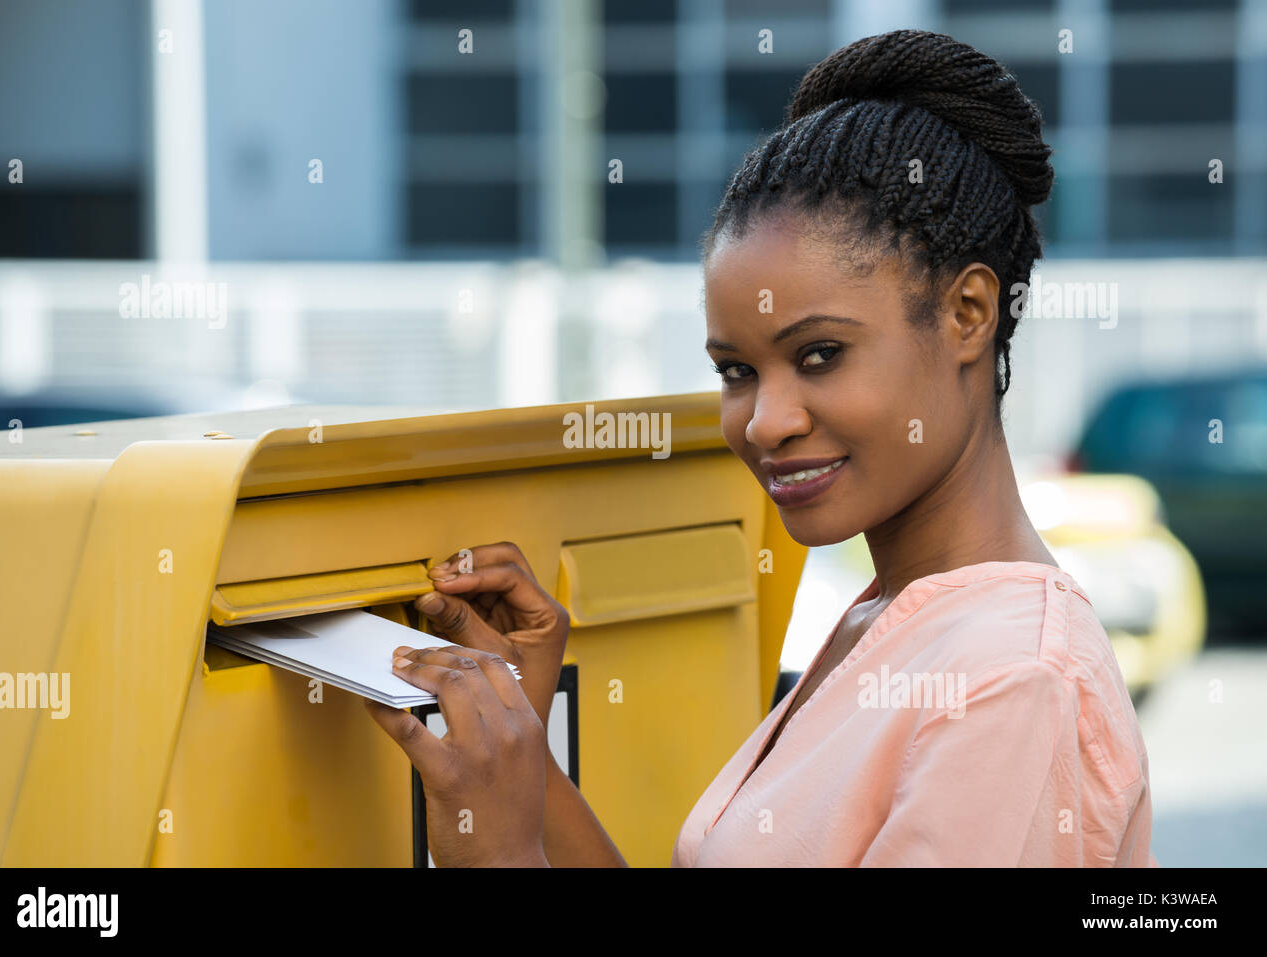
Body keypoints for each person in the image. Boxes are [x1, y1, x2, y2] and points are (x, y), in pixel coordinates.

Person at [364, 29, 1157, 868]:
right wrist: (526, 765)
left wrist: (497, 859)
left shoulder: (1010, 682)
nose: (765, 420)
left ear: (967, 314)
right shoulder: (889, 617)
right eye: (737, 369)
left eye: (820, 354)